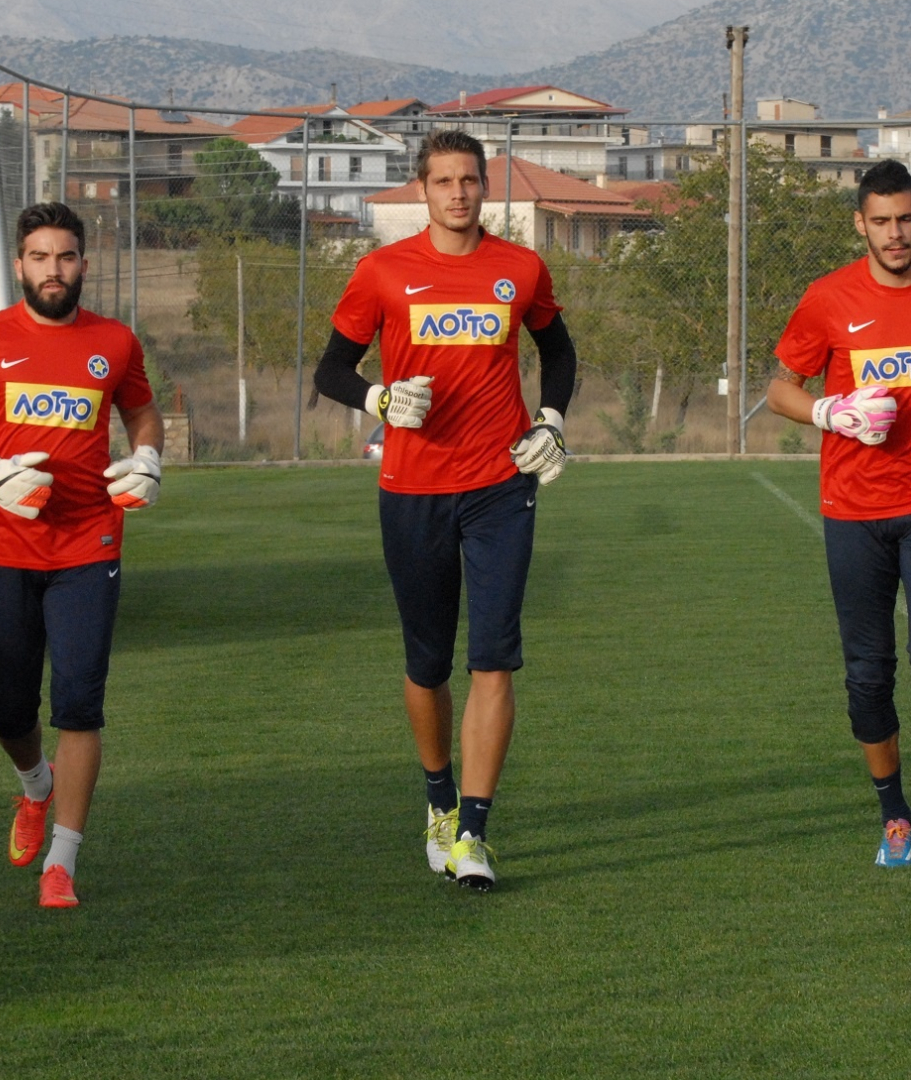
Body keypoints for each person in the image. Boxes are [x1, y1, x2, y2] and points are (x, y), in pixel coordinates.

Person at [313, 130, 576, 892]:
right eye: (444, 181)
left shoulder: (519, 267)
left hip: (501, 486)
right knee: (427, 663)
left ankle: (473, 832)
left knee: (493, 655)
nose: (459, 193)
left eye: (470, 180)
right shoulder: (383, 272)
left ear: (484, 186)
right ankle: (437, 800)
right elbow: (332, 367)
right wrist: (379, 398)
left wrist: (552, 420)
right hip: (412, 489)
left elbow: (558, 351)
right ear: (421, 190)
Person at [767, 160, 911, 870]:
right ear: (860, 224)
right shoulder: (828, 298)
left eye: (906, 218)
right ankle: (892, 813)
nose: (896, 233)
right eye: (881, 221)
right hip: (854, 508)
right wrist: (829, 411)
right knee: (868, 674)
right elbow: (781, 387)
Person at [0, 202, 163, 909]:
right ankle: (36, 786)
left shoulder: (115, 342)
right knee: (6, 708)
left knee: (81, 706)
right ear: (20, 265)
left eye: (65, 257)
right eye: (39, 257)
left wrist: (148, 454)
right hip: (2, 544)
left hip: (89, 543)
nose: (53, 270)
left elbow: (140, 408)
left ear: (83, 264)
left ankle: (63, 862)